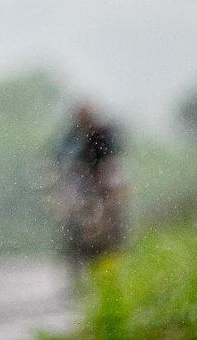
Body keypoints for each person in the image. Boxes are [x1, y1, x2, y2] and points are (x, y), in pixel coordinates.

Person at [50, 102, 126, 284]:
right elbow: (58, 157)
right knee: (70, 204)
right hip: (80, 176)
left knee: (114, 195)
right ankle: (73, 241)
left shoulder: (104, 133)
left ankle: (117, 239)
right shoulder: (73, 134)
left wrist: (106, 173)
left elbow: (113, 157)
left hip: (102, 174)